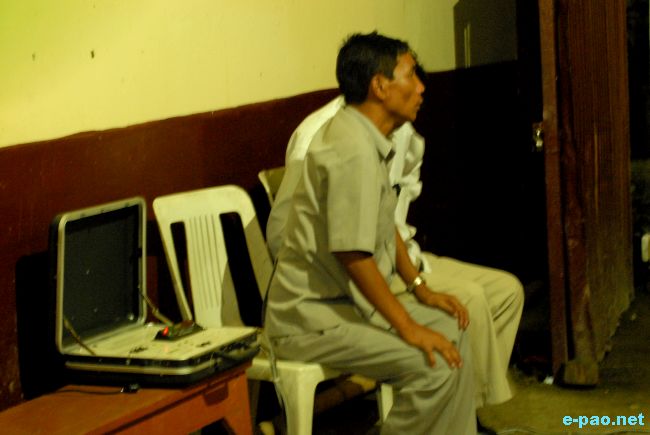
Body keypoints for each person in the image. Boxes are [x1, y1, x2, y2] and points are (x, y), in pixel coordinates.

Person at [267, 65, 524, 411]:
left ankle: (462, 410)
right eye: (410, 77)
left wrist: (418, 284)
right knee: (466, 309)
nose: (421, 88)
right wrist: (401, 318)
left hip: (401, 260)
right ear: (380, 86)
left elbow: (387, 217)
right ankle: (457, 411)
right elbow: (326, 246)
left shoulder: (395, 129)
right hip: (344, 289)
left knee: (506, 293)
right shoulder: (327, 138)